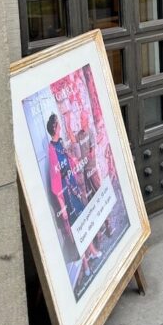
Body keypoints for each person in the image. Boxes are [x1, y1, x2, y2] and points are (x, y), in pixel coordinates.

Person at [46, 114, 101, 278]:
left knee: (82, 220)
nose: (61, 127)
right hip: (66, 193)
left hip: (73, 188)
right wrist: (61, 203)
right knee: (75, 226)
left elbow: (68, 159)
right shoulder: (51, 150)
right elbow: (55, 179)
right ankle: (85, 264)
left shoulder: (60, 143)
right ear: (55, 127)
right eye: (59, 125)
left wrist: (74, 162)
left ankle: (91, 251)